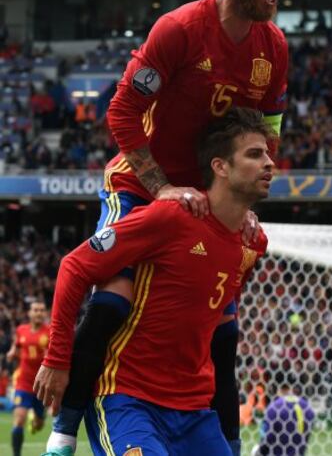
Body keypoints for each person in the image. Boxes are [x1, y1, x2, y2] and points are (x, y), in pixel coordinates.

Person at [40, 0, 288, 456]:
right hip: (139, 182)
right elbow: (121, 110)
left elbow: (270, 128)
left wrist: (242, 199)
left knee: (224, 333)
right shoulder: (180, 29)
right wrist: (160, 186)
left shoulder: (275, 47)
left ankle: (227, 440)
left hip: (207, 191)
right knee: (111, 304)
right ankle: (64, 431)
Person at [35, 107, 273, 456]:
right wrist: (57, 358)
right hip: (129, 401)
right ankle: (63, 434)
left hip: (194, 413)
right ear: (220, 167)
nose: (270, 162)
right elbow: (75, 266)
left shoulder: (254, 243)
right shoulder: (171, 217)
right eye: (255, 154)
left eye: (267, 153)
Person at [6, 300, 50, 456]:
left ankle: (36, 418)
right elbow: (16, 345)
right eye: (36, 310)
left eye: (42, 310)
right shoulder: (21, 330)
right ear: (30, 313)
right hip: (23, 383)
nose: (39, 313)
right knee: (18, 420)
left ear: (45, 313)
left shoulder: (50, 332)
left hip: (41, 384)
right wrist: (12, 353)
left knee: (38, 425)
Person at [250, 374, 315, 456]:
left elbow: (267, 438)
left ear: (276, 387)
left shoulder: (274, 407)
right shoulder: (306, 407)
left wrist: (258, 452)